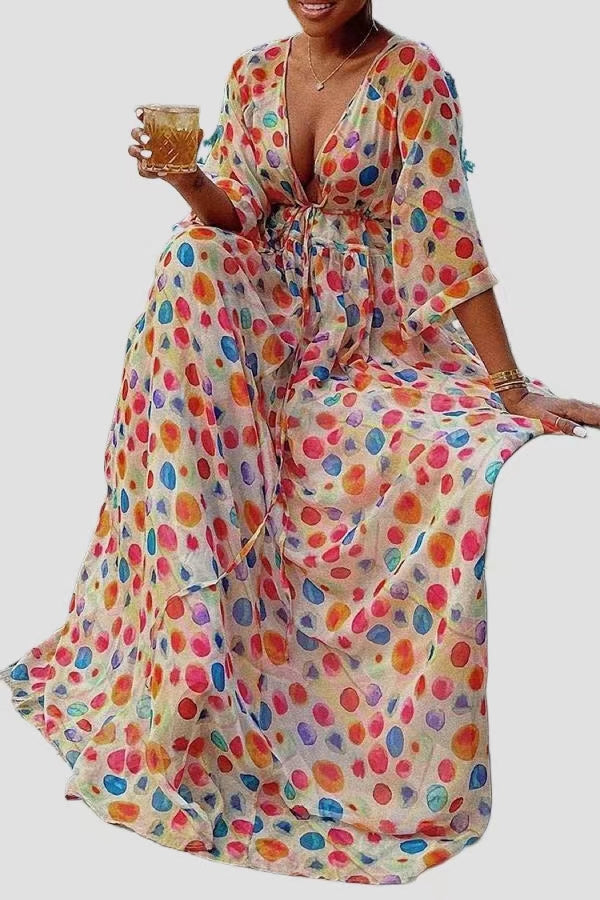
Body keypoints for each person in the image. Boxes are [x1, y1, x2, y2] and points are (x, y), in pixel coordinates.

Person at [2, 0, 598, 886]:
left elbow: (447, 240)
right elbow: (235, 217)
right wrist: (185, 179)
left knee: (444, 454)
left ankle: (330, 735)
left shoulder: (412, 77)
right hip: (268, 312)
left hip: (369, 331)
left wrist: (510, 385)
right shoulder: (252, 72)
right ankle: (189, 651)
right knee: (188, 263)